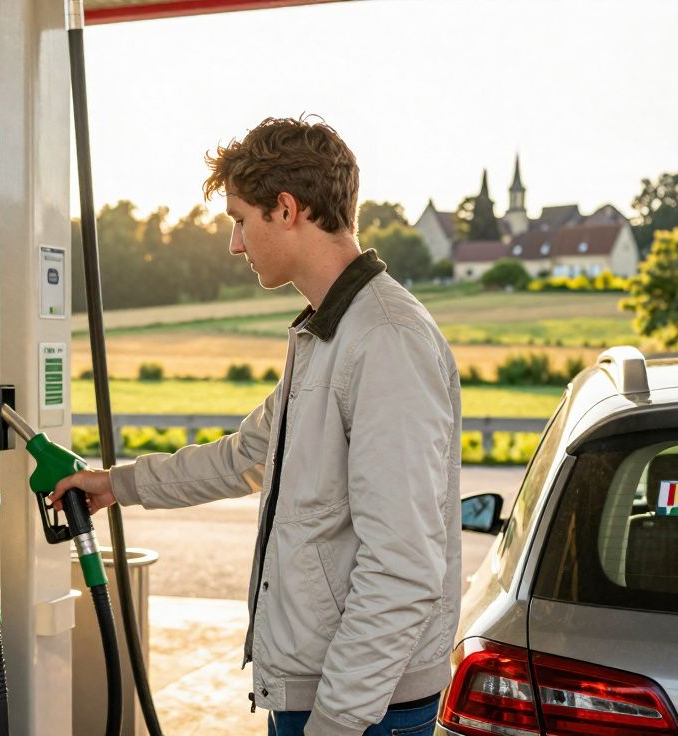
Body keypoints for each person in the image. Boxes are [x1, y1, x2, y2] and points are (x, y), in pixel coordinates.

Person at [51, 117, 461, 736]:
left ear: (287, 210)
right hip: (323, 695)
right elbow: (245, 455)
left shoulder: (385, 340)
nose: (235, 244)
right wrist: (118, 484)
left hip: (362, 710)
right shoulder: (326, 332)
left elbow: (403, 568)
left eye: (241, 219)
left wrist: (336, 722)